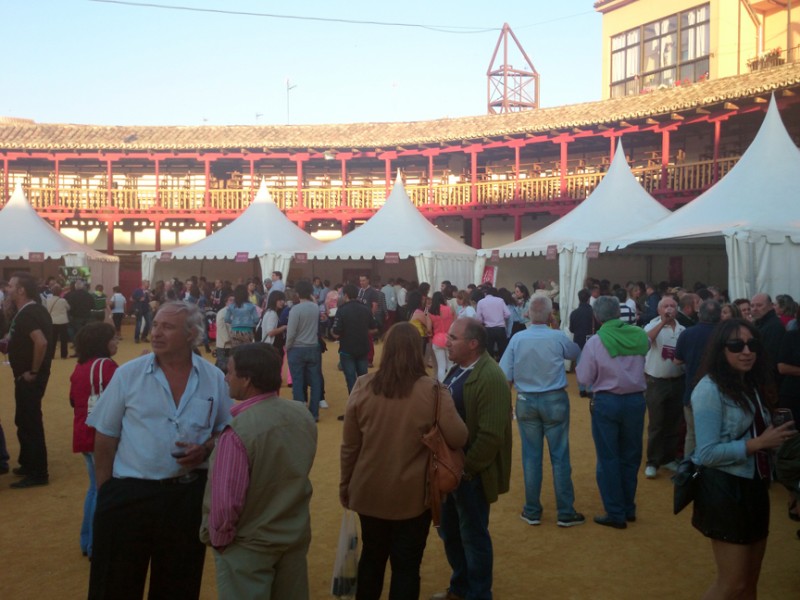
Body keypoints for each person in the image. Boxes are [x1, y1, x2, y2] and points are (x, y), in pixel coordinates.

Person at [86, 302, 232, 599]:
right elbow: (105, 436)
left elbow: (223, 432)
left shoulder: (213, 378)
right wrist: (106, 491)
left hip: (186, 497)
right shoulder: (129, 375)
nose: (156, 332)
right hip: (129, 494)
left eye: (167, 327)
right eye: (155, 325)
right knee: (115, 584)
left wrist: (205, 450)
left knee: (178, 584)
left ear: (192, 334)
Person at [340, 323, 467, 600]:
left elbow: (350, 446)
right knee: (407, 565)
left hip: (369, 490)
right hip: (413, 496)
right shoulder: (434, 390)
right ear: (417, 352)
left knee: (372, 558)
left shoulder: (362, 385)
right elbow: (458, 437)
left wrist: (345, 484)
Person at [200, 343, 317, 600]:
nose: (225, 377)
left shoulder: (239, 432)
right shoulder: (302, 414)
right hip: (292, 535)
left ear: (247, 379)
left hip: (249, 546)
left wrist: (220, 539)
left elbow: (225, 502)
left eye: (230, 372)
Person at [690, 319, 796, 599]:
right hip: (725, 490)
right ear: (721, 350)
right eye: (736, 345)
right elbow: (707, 453)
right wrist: (758, 443)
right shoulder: (709, 389)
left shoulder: (751, 383)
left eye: (752, 345)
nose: (746, 351)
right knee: (732, 584)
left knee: (750, 583)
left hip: (755, 486)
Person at [434, 317, 512, 600]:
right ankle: (460, 586)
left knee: (474, 536)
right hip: (452, 472)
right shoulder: (458, 369)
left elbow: (491, 436)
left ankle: (479, 594)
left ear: (473, 344)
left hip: (471, 476)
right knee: (451, 534)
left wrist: (465, 471)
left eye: (453, 337)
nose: (447, 341)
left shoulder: (491, 378)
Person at [500, 296, 584, 527]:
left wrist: (507, 404)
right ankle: (565, 511)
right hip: (554, 399)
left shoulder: (517, 338)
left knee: (531, 457)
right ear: (550, 316)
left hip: (526, 400)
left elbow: (505, 375)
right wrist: (556, 328)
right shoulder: (557, 336)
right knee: (560, 456)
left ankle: (532, 510)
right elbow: (575, 352)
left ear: (527, 314)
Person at [576, 296, 649, 528]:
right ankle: (628, 508)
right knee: (631, 456)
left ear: (596, 317)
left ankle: (615, 512)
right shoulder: (639, 335)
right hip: (636, 401)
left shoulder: (596, 342)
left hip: (607, 401)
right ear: (619, 312)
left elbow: (584, 378)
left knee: (608, 458)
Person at [69, 321, 119, 558]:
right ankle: (96, 545)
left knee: (94, 488)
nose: (116, 341)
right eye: (113, 338)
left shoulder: (81, 366)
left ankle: (87, 540)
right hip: (100, 435)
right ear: (102, 343)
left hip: (83, 432)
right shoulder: (105, 366)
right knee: (104, 489)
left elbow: (73, 400)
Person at [4, 273, 54, 488]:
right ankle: (28, 462)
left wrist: (33, 371)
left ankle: (38, 472)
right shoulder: (31, 311)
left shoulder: (28, 314)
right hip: (27, 375)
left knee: (30, 421)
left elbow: (40, 342)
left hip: (29, 377)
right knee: (23, 419)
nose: (8, 288)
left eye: (11, 285)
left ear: (21, 290)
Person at [642, 296, 686, 479]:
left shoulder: (683, 329)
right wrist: (662, 324)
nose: (669, 309)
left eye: (672, 306)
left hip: (677, 381)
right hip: (656, 382)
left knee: (674, 423)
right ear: (659, 310)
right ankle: (652, 461)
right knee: (657, 423)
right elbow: (645, 342)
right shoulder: (651, 326)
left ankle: (668, 458)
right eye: (666, 306)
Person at [674, 299, 721, 457]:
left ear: (699, 314)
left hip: (692, 391)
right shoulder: (725, 333)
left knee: (692, 435)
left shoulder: (687, 333)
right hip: (722, 392)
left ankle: (688, 472)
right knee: (718, 436)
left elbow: (677, 360)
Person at [286, 279, 323, 422]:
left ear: (297, 293)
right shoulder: (315, 307)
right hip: (313, 347)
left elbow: (291, 332)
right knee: (315, 381)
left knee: (297, 381)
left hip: (297, 348)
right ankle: (314, 413)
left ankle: (300, 414)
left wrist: (287, 346)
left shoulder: (295, 309)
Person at [332, 284, 378, 394]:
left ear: (346, 295)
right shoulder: (366, 309)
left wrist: (332, 333)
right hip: (363, 347)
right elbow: (374, 329)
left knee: (350, 378)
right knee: (363, 378)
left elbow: (336, 333)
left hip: (347, 348)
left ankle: (353, 401)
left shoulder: (342, 310)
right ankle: (364, 401)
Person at [569, 288, 596, 397]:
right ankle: (590, 389)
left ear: (579, 298)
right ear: (589, 299)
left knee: (579, 366)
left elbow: (571, 329)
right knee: (591, 366)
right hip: (591, 342)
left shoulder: (574, 313)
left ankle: (581, 389)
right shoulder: (593, 312)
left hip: (578, 341)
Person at [475, 288, 510, 360]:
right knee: (503, 351)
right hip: (500, 328)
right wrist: (501, 317)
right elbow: (508, 314)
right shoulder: (500, 300)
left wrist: (484, 321)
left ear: (485, 293)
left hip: (488, 329)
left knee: (489, 351)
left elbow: (478, 318)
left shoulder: (481, 302)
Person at [429, 291, 455, 382]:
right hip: (449, 339)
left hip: (436, 340)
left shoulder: (430, 312)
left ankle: (441, 387)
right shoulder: (449, 309)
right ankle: (450, 384)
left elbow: (429, 329)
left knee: (441, 366)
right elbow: (455, 323)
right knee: (450, 365)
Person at [45, 284, 70, 359]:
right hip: (62, 321)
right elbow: (68, 308)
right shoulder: (63, 300)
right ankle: (64, 354)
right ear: (60, 292)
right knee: (63, 339)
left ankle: (51, 355)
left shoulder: (48, 300)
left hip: (52, 321)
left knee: (53, 339)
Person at [260, 290, 287, 356]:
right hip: (271, 347)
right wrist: (284, 327)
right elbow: (270, 332)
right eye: (280, 300)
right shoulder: (272, 314)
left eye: (283, 300)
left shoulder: (268, 312)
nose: (282, 302)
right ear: (274, 300)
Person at [130, 279, 153, 344]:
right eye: (147, 284)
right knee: (138, 324)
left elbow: (150, 300)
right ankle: (136, 338)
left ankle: (144, 337)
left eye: (149, 284)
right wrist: (139, 299)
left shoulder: (148, 291)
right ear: (143, 284)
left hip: (146, 309)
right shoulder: (137, 290)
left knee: (149, 323)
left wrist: (150, 297)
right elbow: (131, 298)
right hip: (139, 309)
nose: (148, 285)